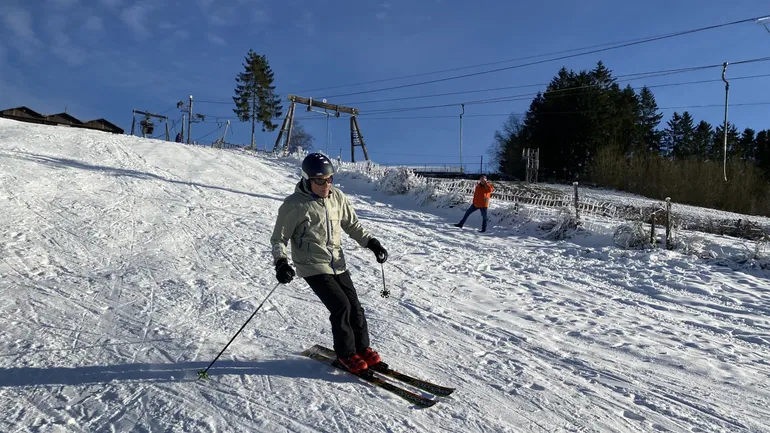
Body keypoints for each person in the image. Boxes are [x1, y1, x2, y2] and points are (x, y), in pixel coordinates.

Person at [270, 153, 389, 374]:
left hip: (337, 263)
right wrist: (281, 263)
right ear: (307, 179)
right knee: (340, 306)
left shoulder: (337, 197)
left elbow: (352, 225)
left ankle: (362, 349)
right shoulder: (294, 205)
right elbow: (279, 238)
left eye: (330, 178)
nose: (326, 184)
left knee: (355, 307)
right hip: (312, 265)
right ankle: (346, 355)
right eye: (320, 180)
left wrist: (372, 243)